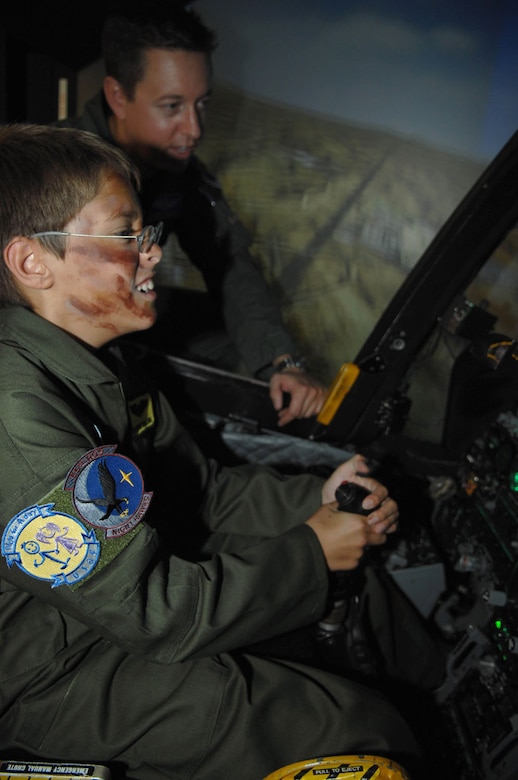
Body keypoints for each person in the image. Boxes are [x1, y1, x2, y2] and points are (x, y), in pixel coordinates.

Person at [0, 124, 442, 779]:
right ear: (33, 262)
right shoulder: (19, 418)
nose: (153, 254)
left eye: (149, 233)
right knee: (345, 731)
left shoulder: (109, 364)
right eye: (127, 235)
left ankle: (451, 702)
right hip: (53, 672)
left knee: (365, 587)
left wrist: (320, 502)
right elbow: (155, 612)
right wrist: (312, 551)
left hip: (116, 613)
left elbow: (204, 492)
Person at [57, 0, 328, 429]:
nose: (195, 128)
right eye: (172, 106)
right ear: (117, 96)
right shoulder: (51, 171)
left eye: (201, 104)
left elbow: (230, 263)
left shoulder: (176, 174)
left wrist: (282, 360)